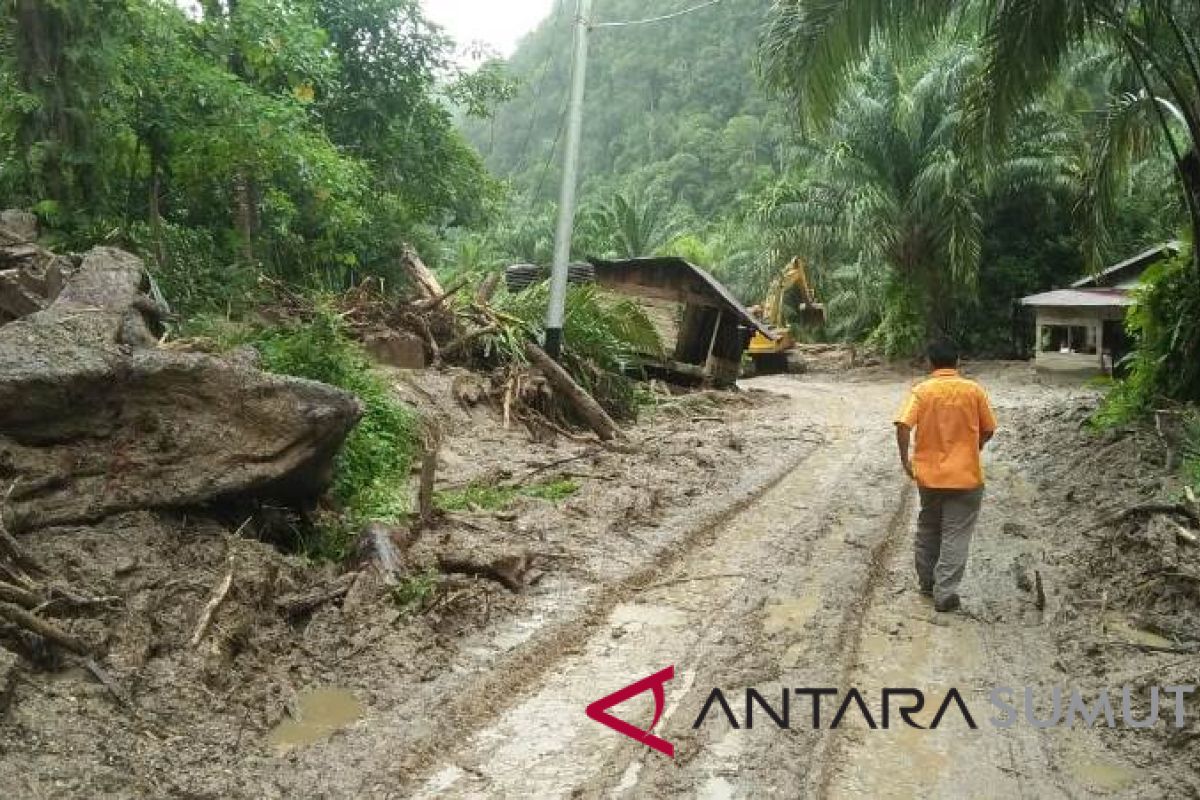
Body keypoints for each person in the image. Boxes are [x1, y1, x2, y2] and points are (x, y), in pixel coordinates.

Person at [893, 340, 997, 612]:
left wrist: (906, 460)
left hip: (929, 478)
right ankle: (945, 593)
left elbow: (903, 425)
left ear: (930, 362)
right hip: (966, 477)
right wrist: (976, 448)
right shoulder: (974, 390)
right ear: (958, 361)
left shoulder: (921, 392)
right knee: (956, 533)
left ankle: (928, 584)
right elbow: (989, 428)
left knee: (929, 527)